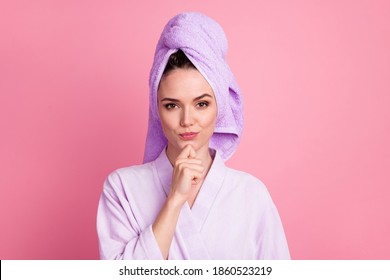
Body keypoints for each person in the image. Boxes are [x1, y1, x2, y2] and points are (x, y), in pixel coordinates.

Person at [97, 12, 290, 260]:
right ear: (156, 109)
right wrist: (174, 200)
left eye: (201, 104)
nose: (187, 120)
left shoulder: (251, 194)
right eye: (172, 105)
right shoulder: (122, 188)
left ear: (219, 106)